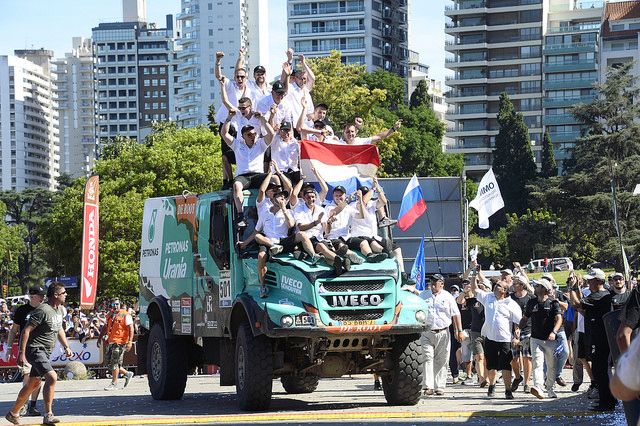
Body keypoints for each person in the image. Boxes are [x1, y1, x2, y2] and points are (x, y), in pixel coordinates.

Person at [5, 282, 72, 426]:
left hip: (45, 352)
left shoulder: (59, 310)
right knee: (52, 377)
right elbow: (25, 331)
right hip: (35, 349)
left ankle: (13, 413)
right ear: (55, 295)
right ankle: (48, 415)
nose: (66, 295)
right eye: (63, 293)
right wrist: (21, 353)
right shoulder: (42, 310)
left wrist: (66, 346)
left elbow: (59, 328)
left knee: (33, 383)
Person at [570, 268, 617, 412]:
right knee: (600, 370)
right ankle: (607, 400)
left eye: (590, 280)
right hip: (596, 337)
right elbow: (582, 309)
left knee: (600, 371)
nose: (588, 283)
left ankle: (607, 402)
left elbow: (577, 304)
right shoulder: (596, 296)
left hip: (600, 339)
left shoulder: (600, 295)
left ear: (598, 281)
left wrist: (571, 288)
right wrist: (576, 289)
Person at [471, 272, 522, 399]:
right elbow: (474, 289)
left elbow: (519, 321)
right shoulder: (488, 297)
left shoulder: (511, 304)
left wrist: (516, 336)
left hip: (505, 339)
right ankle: (492, 386)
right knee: (491, 365)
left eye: (498, 285)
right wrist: (474, 274)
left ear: (504, 290)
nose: (495, 286)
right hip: (490, 337)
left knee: (505, 365)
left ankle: (508, 390)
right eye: (496, 284)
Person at [220, 110, 275, 228]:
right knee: (236, 186)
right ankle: (241, 216)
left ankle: (277, 208)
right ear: (243, 136)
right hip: (243, 176)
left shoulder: (260, 144)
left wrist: (262, 120)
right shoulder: (237, 144)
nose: (252, 136)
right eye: (249, 135)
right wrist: (229, 117)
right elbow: (224, 134)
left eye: (254, 134)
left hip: (258, 175)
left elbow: (271, 134)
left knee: (275, 179)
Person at [4, 286, 46, 417]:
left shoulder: (44, 309)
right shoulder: (22, 310)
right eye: (40, 295)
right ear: (32, 296)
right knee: (27, 376)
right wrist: (9, 348)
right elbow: (14, 330)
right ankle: (22, 405)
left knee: (37, 378)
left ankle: (32, 406)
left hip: (41, 348)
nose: (43, 297)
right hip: (26, 348)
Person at [419, 274, 464, 396]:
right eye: (432, 283)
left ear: (442, 284)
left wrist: (459, 330)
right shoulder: (423, 295)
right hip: (427, 331)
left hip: (443, 331)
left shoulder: (448, 297)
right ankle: (428, 386)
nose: (433, 286)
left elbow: (456, 314)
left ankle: (439, 386)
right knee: (427, 357)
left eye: (436, 283)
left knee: (442, 359)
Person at [520, 279, 563, 399]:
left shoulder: (553, 303)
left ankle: (549, 387)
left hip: (550, 339)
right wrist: (518, 329)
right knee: (537, 363)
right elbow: (525, 318)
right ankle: (538, 387)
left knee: (551, 365)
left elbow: (559, 319)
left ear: (545, 289)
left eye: (538, 286)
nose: (535, 287)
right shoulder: (531, 302)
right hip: (535, 338)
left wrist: (554, 332)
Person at [97, 298, 135, 390]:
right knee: (109, 363)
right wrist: (99, 338)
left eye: (117, 304)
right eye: (113, 304)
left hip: (120, 342)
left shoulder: (125, 314)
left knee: (114, 363)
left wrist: (130, 341)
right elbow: (106, 327)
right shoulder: (110, 315)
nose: (115, 306)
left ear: (120, 305)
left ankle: (114, 383)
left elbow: (131, 328)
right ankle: (127, 373)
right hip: (111, 341)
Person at [509, 274, 533, 394]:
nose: (513, 285)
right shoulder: (510, 298)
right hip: (512, 330)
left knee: (527, 356)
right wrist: (515, 330)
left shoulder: (530, 298)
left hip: (528, 330)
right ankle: (518, 377)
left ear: (522, 285)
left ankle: (527, 383)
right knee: (513, 358)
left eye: (516, 283)